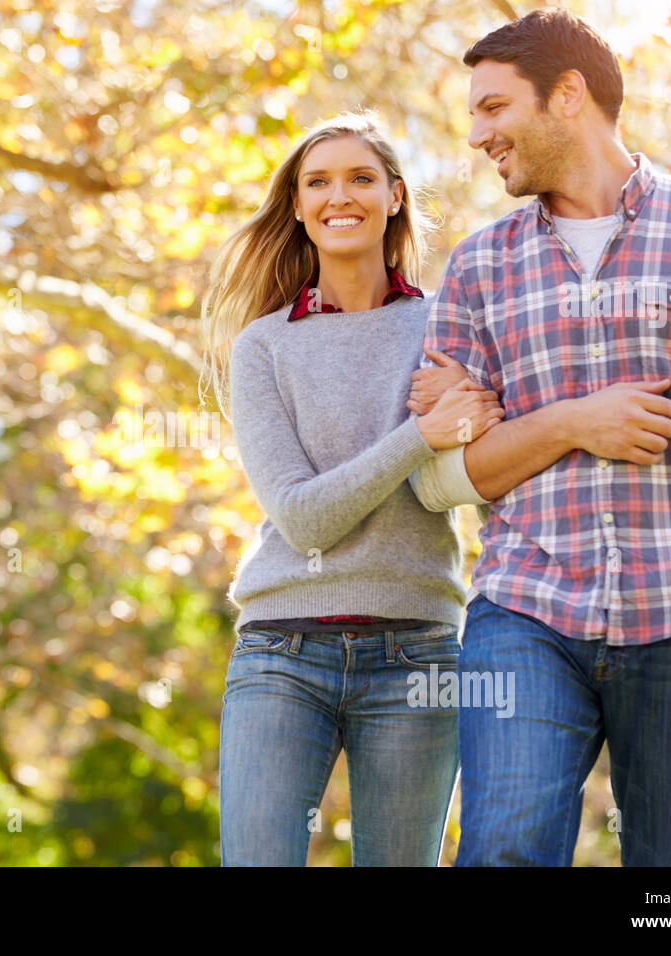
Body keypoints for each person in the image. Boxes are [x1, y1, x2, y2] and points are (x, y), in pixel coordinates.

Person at [406, 9, 671, 866]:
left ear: (567, 95)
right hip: (525, 611)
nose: (477, 135)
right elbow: (441, 480)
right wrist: (569, 422)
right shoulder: (481, 266)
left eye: (491, 108)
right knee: (503, 850)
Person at [197, 108, 504, 866]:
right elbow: (303, 518)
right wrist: (419, 435)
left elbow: (477, 472)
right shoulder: (265, 344)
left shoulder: (447, 326)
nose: (342, 196)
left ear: (395, 196)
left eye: (362, 178)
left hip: (419, 655)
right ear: (298, 206)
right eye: (320, 182)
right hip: (281, 653)